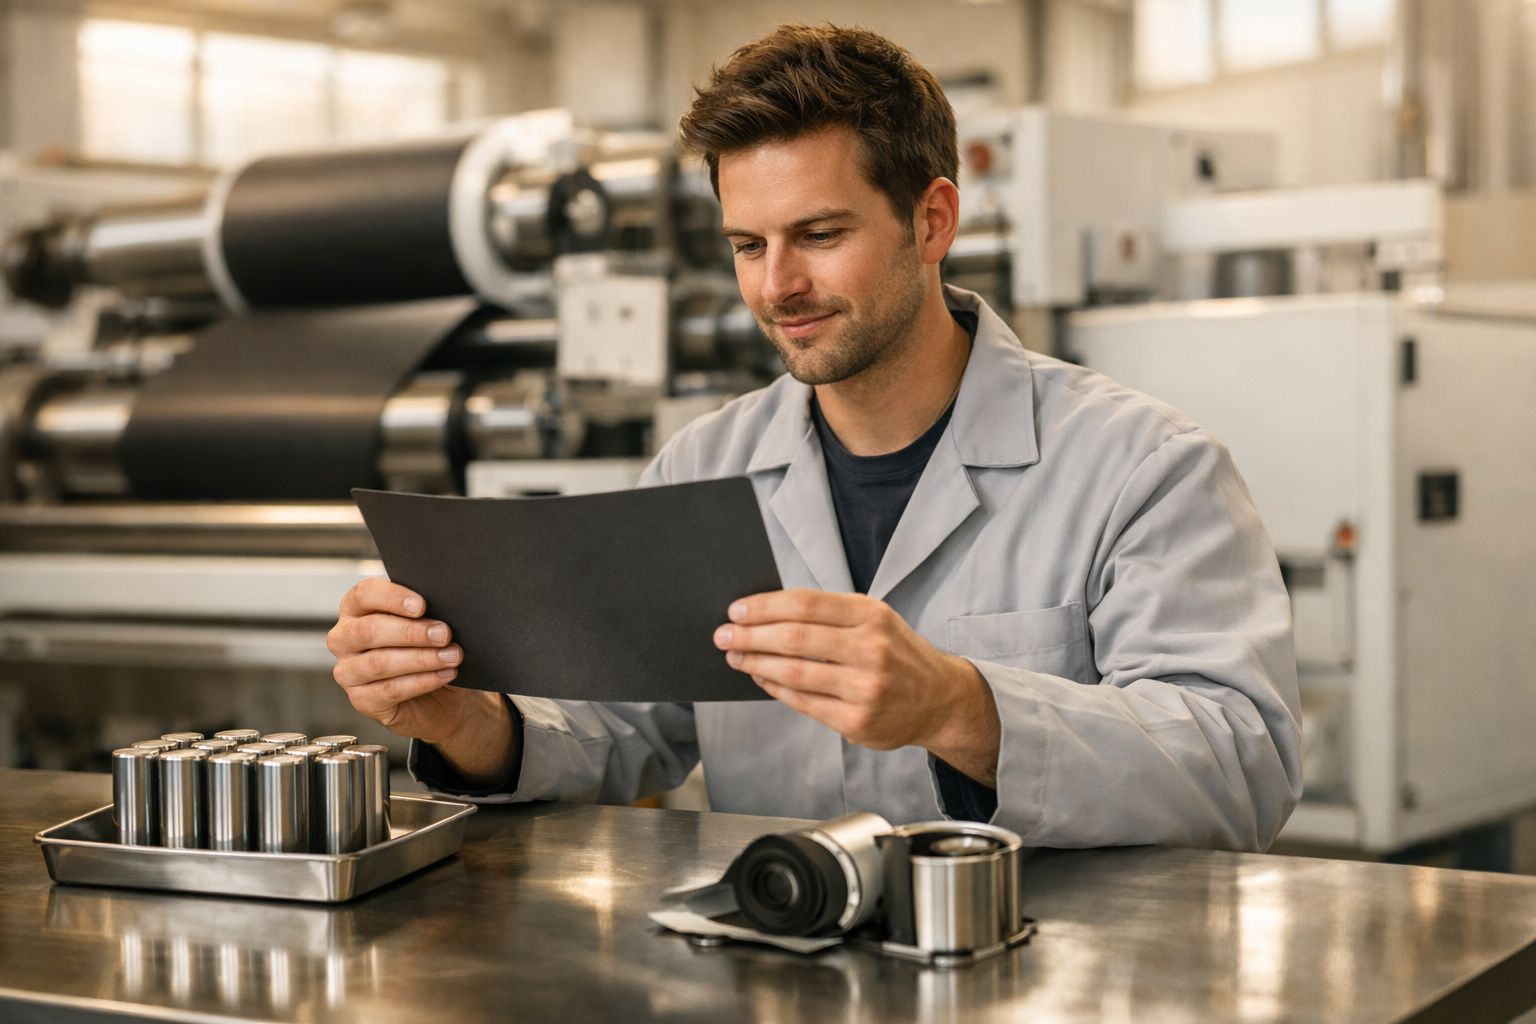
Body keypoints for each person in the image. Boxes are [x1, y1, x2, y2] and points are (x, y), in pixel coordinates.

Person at [327, 24, 1302, 851]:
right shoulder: (701, 470)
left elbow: (1241, 763)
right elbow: (624, 733)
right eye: (749, 245)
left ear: (932, 220)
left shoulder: (1141, 467)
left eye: (820, 234)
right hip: (778, 973)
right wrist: (467, 722)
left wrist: (961, 707)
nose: (775, 286)